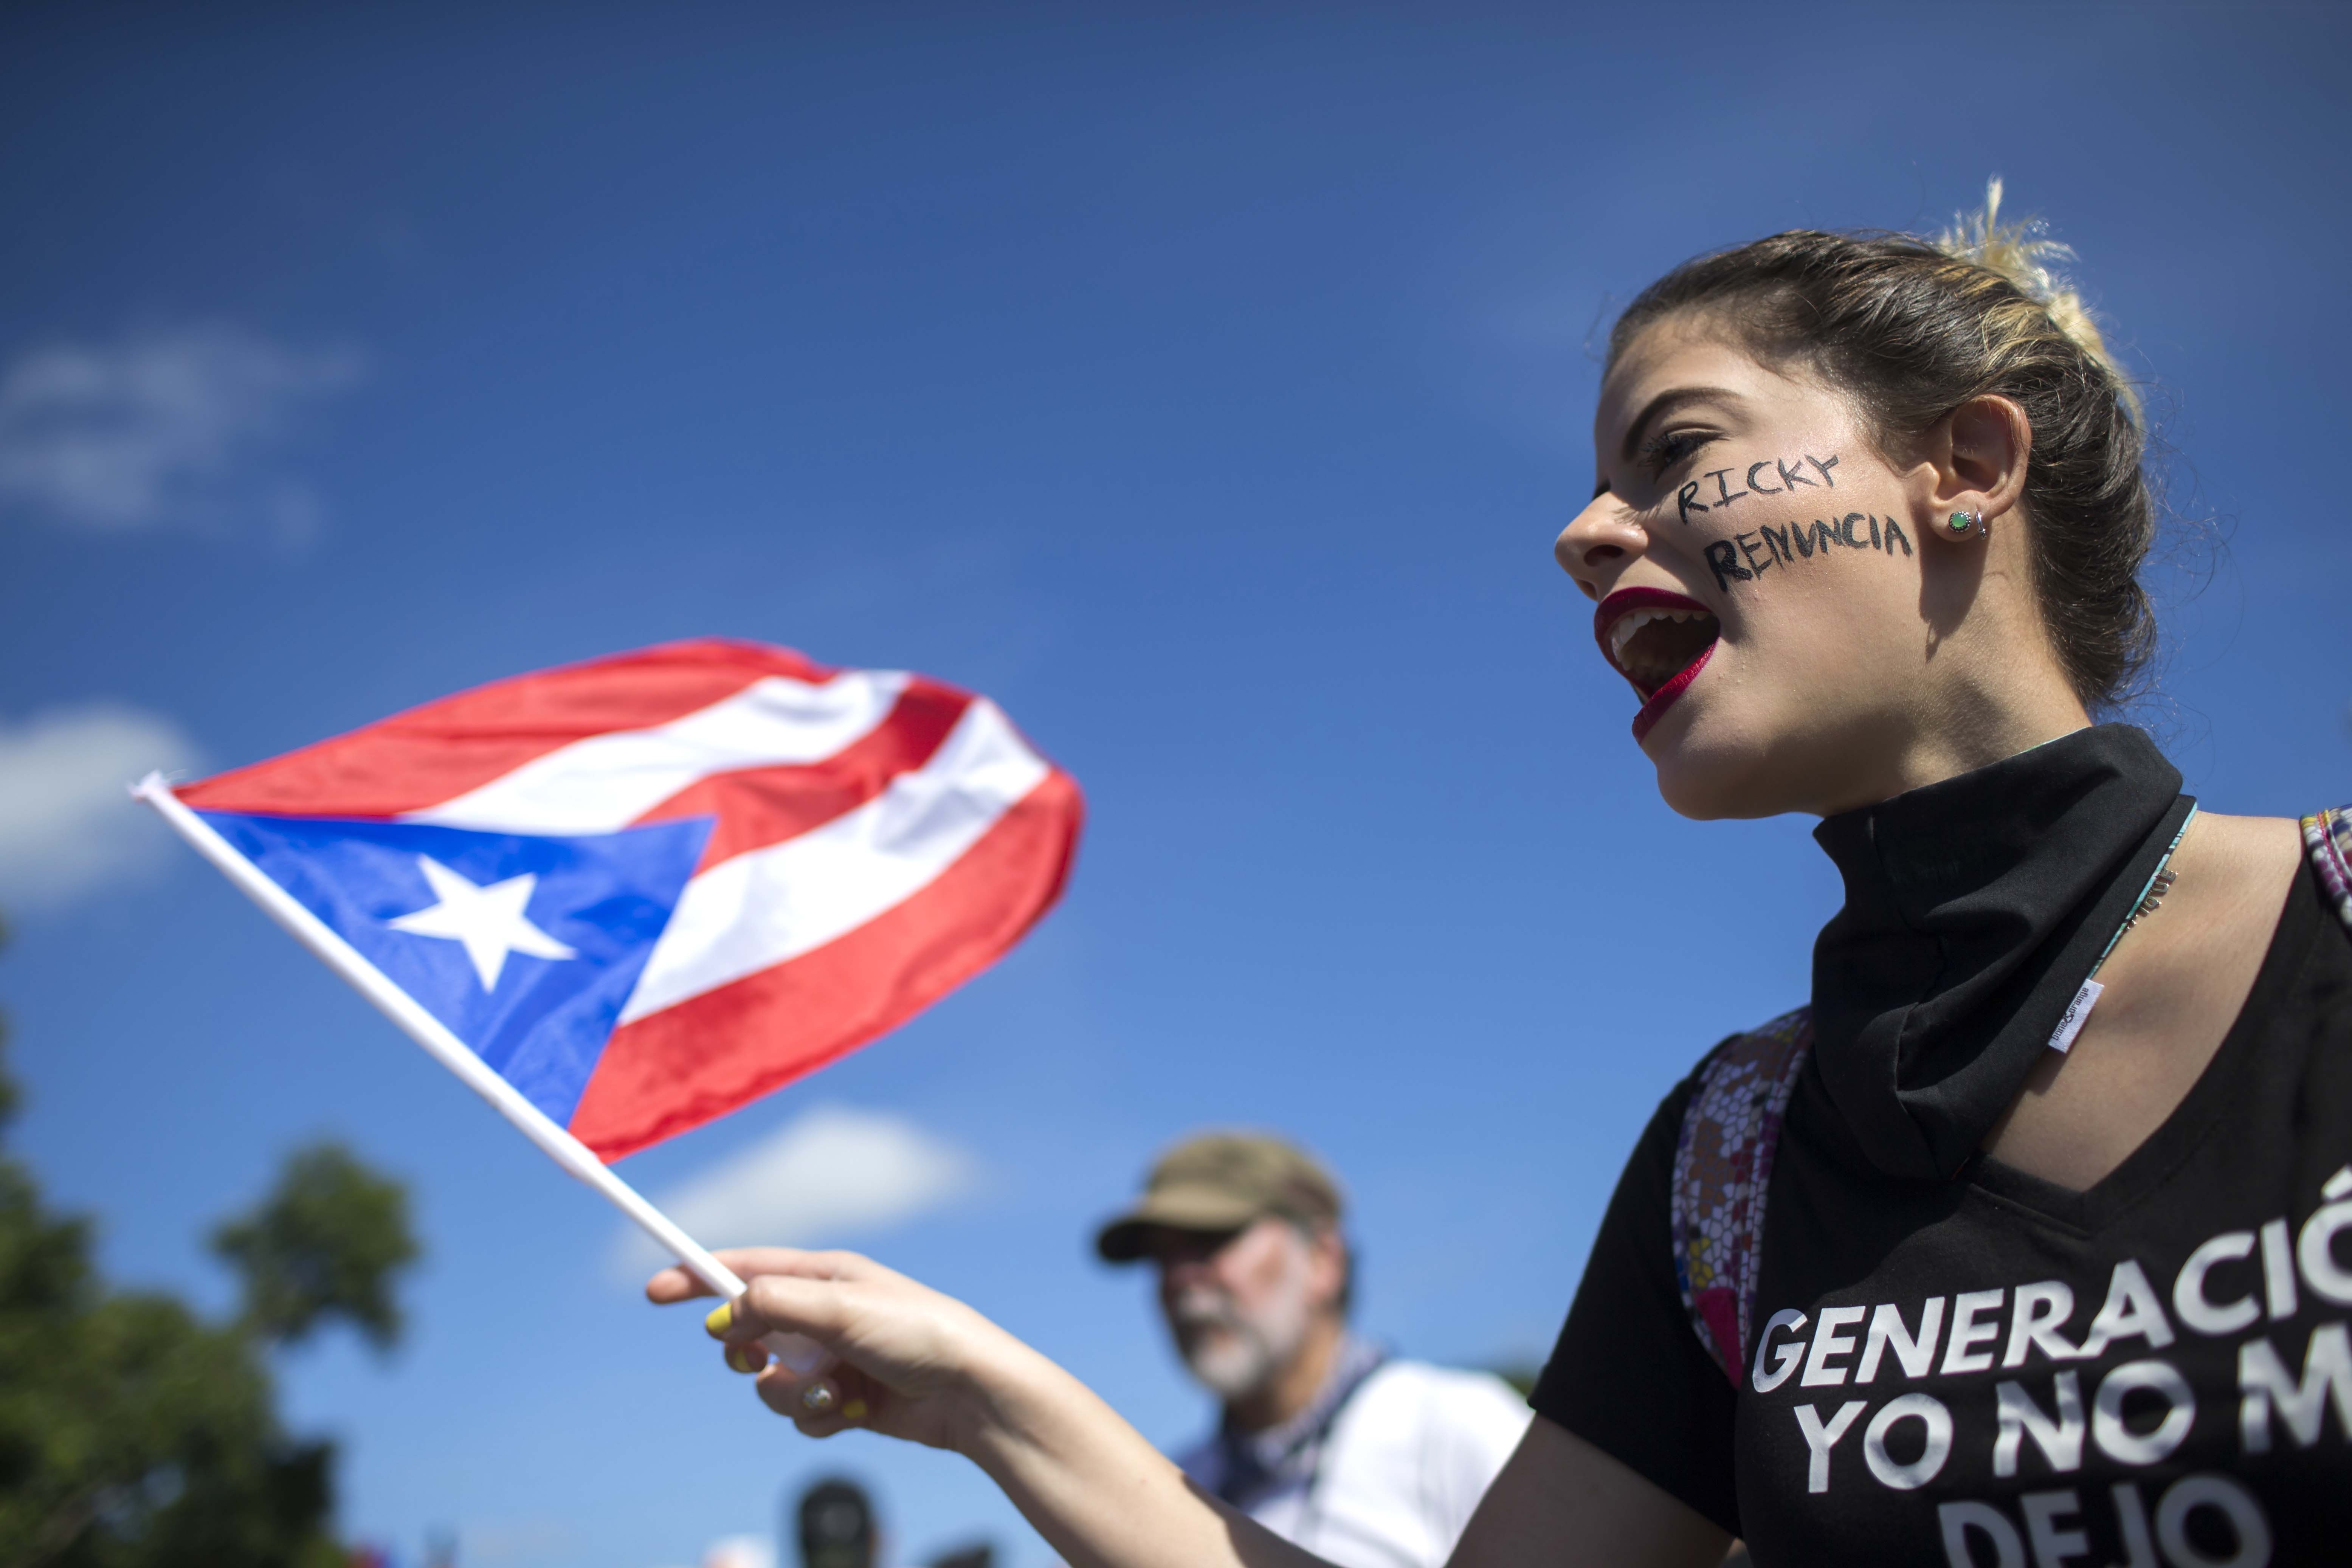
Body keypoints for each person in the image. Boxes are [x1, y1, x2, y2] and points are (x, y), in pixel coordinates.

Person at [655, 182, 2352, 1566]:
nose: (1582, 533)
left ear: (1962, 470)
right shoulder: (1732, 1162)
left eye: (1677, 451)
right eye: (1596, 487)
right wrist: (983, 1397)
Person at [1091, 1131, 1530, 1567]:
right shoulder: (1174, 1487)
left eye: (1210, 1240)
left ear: (1323, 1260)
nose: (1180, 1280)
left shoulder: (1454, 1431)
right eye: (1161, 1257)